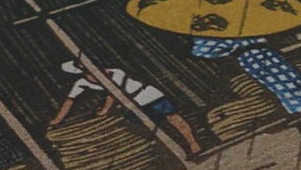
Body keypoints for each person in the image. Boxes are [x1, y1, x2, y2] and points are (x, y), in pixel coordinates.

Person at [48, 59, 202, 156]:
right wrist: (58, 119)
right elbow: (70, 100)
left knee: (173, 118)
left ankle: (193, 144)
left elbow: (114, 93)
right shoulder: (82, 83)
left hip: (148, 96)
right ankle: (171, 151)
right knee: (141, 129)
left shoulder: (115, 72)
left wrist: (105, 110)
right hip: (133, 106)